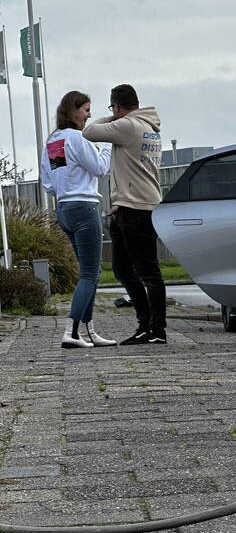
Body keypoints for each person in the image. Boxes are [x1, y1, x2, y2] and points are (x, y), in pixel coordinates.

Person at [82, 84, 165, 344]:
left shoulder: (128, 126)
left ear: (117, 106)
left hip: (137, 209)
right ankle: (146, 326)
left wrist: (114, 117)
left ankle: (156, 330)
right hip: (132, 205)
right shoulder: (149, 127)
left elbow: (89, 132)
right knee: (124, 269)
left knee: (147, 272)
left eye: (113, 108)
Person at [40, 91, 116, 348]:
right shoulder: (76, 138)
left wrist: (67, 185)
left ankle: (88, 331)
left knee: (89, 273)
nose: (89, 114)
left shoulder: (53, 142)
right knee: (90, 273)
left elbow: (47, 184)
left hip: (63, 209)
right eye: (85, 109)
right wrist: (107, 143)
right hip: (84, 207)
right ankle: (72, 332)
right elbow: (100, 168)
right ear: (73, 111)